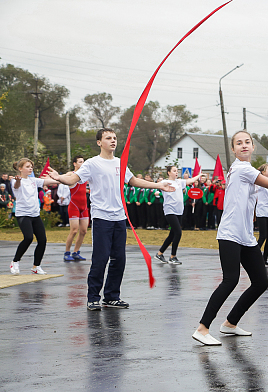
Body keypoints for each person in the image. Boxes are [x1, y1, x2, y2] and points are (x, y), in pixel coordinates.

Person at [192, 130, 268, 346]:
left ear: (253, 146)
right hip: (230, 233)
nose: (243, 145)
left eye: (247, 142)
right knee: (230, 280)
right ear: (233, 149)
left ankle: (230, 323)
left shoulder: (246, 170)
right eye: (238, 143)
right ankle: (202, 328)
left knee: (260, 282)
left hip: (246, 236)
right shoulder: (241, 169)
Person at [48, 128, 175, 311]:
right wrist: (59, 178)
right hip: (101, 218)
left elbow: (133, 181)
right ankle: (93, 297)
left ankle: (111, 297)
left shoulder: (120, 163)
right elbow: (74, 179)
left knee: (119, 259)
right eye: (108, 138)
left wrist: (158, 185)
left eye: (115, 138)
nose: (113, 141)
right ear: (99, 142)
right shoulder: (92, 163)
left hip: (119, 218)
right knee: (100, 259)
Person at [9, 158, 60, 275]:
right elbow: (16, 186)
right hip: (23, 214)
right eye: (27, 166)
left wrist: (62, 180)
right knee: (28, 238)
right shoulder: (15, 181)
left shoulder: (34, 180)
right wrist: (17, 180)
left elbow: (49, 182)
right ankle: (15, 262)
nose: (30, 168)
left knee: (42, 240)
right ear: (20, 169)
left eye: (31, 166)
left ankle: (36, 266)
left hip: (35, 214)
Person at [155, 166, 201, 265]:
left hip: (179, 211)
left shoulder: (180, 182)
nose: (176, 173)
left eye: (177, 171)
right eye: (174, 171)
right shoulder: (165, 182)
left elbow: (190, 180)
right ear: (168, 172)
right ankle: (173, 256)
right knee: (178, 233)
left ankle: (160, 253)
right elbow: (156, 189)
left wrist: (199, 175)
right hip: (169, 210)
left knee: (172, 234)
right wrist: (157, 193)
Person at [64, 155, 90, 262]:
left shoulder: (85, 175)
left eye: (83, 162)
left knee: (83, 231)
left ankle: (76, 252)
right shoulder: (71, 174)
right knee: (74, 230)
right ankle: (67, 252)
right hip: (74, 206)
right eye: (80, 162)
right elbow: (62, 177)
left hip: (84, 207)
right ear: (75, 164)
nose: (82, 164)